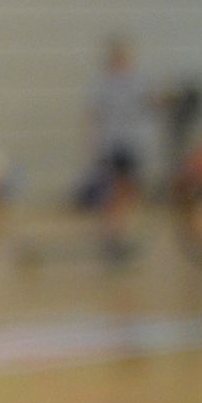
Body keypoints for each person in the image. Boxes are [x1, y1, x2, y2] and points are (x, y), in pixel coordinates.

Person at [83, 36, 156, 260]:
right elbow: (93, 114)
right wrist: (92, 143)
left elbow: (148, 102)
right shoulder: (102, 82)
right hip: (114, 142)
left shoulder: (137, 79)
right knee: (115, 189)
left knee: (128, 190)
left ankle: (119, 232)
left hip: (133, 141)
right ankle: (111, 233)